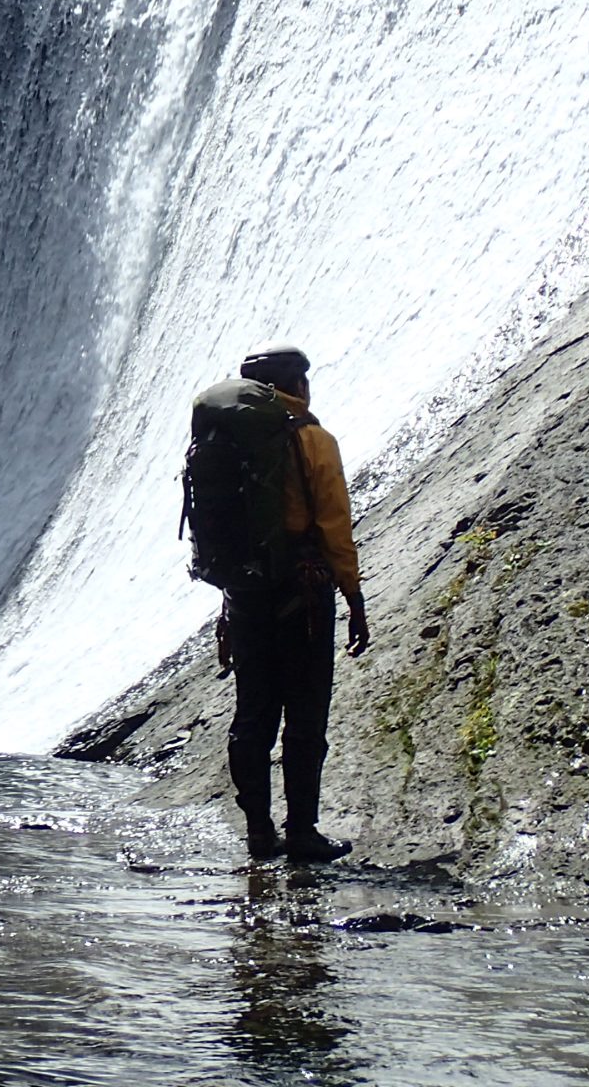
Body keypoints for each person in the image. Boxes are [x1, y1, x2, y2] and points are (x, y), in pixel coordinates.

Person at [222, 346, 368, 863]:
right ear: (298, 386)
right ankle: (302, 831)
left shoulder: (225, 438)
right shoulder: (312, 439)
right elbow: (334, 524)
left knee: (253, 713)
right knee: (304, 712)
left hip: (243, 596)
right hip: (302, 595)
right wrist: (353, 595)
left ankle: (259, 832)